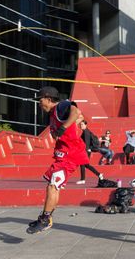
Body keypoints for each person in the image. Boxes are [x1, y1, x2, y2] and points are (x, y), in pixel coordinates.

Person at [27, 86, 89, 233]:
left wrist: (63, 128)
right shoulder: (53, 114)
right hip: (63, 155)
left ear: (49, 99)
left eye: (40, 100)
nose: (39, 104)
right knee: (53, 185)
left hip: (70, 155)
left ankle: (45, 219)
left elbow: (76, 111)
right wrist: (57, 133)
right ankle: (47, 217)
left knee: (52, 186)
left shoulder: (61, 106)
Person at [77, 120, 104, 184]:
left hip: (86, 151)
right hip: (86, 150)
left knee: (83, 164)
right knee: (86, 165)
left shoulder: (86, 132)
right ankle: (99, 174)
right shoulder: (85, 131)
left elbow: (86, 143)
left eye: (82, 124)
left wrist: (87, 150)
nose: (81, 126)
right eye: (80, 124)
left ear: (86, 125)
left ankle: (83, 179)